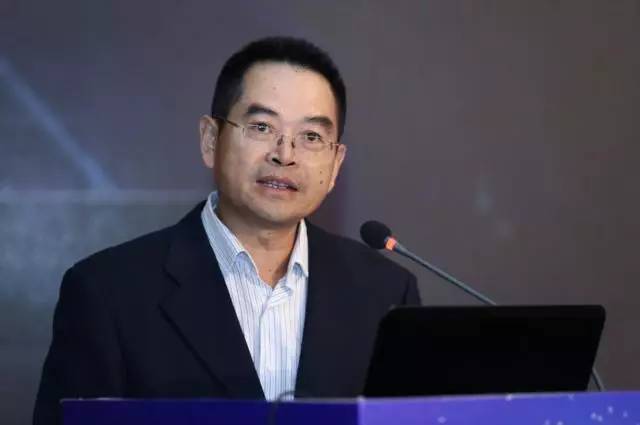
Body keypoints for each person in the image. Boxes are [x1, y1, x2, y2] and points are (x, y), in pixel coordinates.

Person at [33, 36, 420, 425]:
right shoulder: (108, 293)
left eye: (311, 137)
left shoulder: (385, 295)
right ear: (211, 140)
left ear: (335, 164)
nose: (285, 154)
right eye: (262, 126)